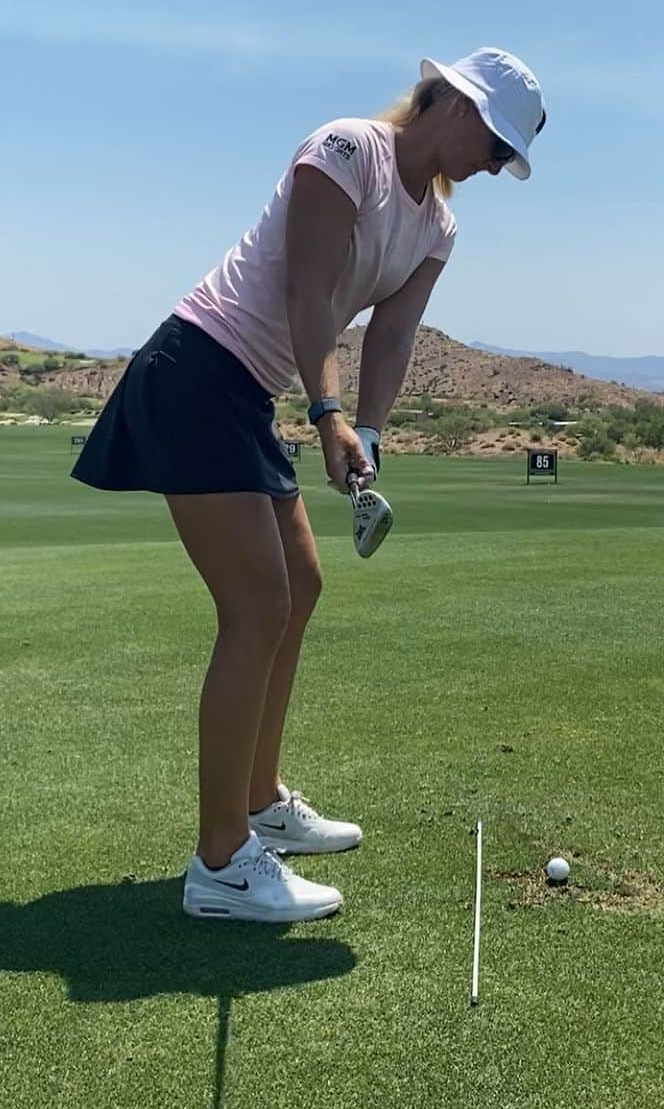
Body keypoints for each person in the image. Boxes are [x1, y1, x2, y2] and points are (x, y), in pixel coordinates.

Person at [71, 48, 547, 922]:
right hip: (195, 368)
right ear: (454, 105)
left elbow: (394, 334)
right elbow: (309, 289)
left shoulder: (438, 229)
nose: (493, 163)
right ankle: (220, 863)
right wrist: (325, 412)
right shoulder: (344, 151)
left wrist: (366, 429)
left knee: (302, 585)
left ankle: (259, 802)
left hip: (246, 390)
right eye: (495, 142)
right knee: (256, 606)